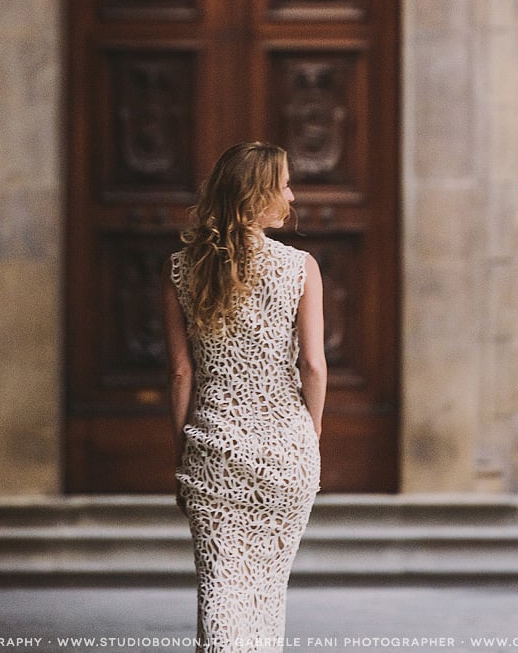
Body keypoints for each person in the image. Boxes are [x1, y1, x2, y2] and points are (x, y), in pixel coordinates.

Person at [162, 142, 326, 653]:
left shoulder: (180, 270)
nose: (291, 196)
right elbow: (315, 367)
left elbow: (180, 373)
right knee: (267, 592)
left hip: (212, 448)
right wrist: (312, 435)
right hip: (286, 451)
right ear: (257, 198)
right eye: (283, 186)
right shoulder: (300, 267)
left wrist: (182, 452)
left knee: (220, 584)